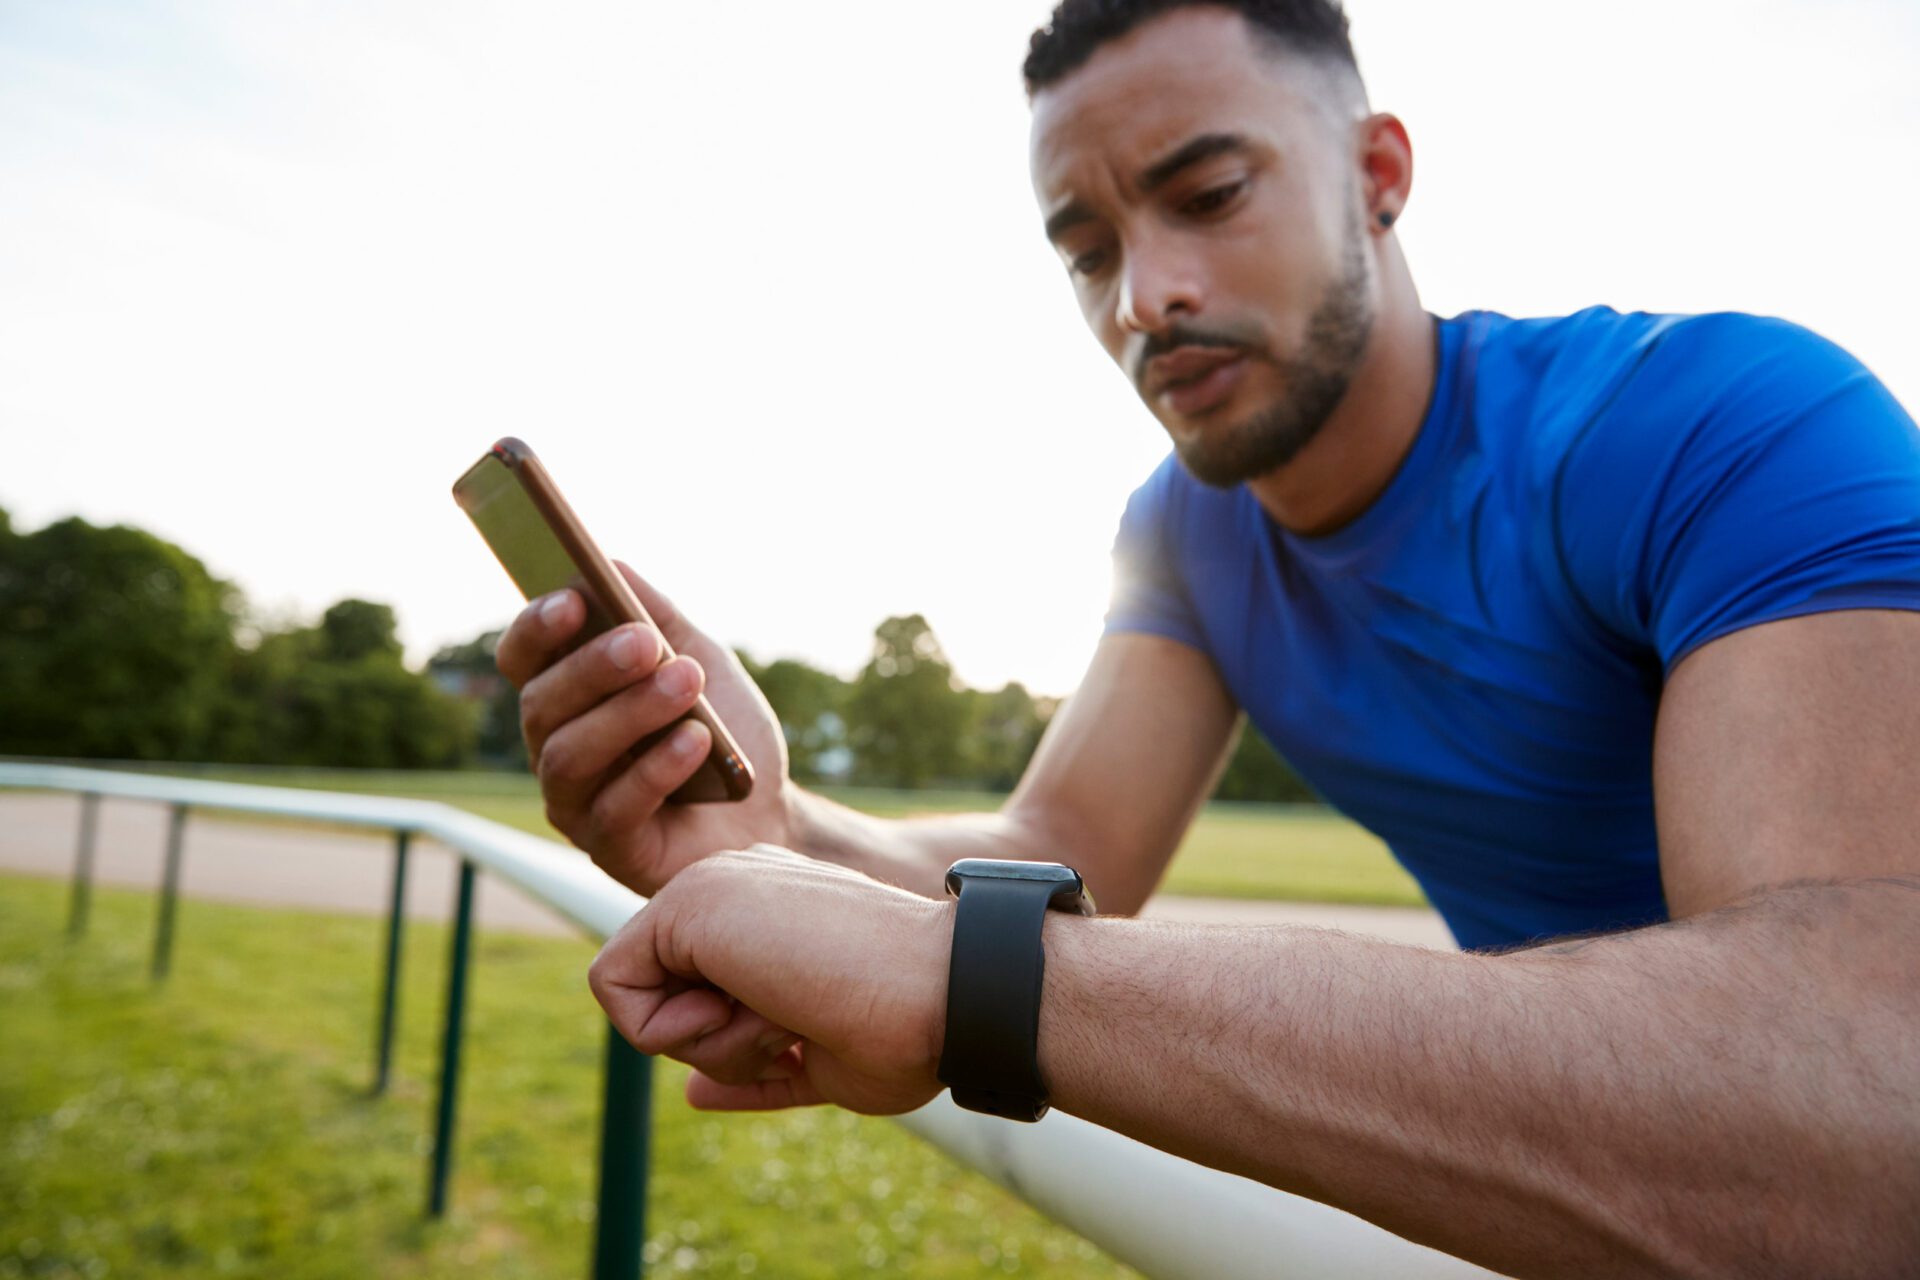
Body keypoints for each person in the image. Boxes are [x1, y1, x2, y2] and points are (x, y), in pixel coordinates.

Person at [499, 2, 1920, 1273]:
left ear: (1377, 175)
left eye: (1210, 194)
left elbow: (1864, 1107)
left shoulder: (1725, 424)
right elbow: (1061, 851)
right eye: (1088, 249)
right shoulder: (1185, 529)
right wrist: (774, 820)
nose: (1143, 298)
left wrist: (978, 984)